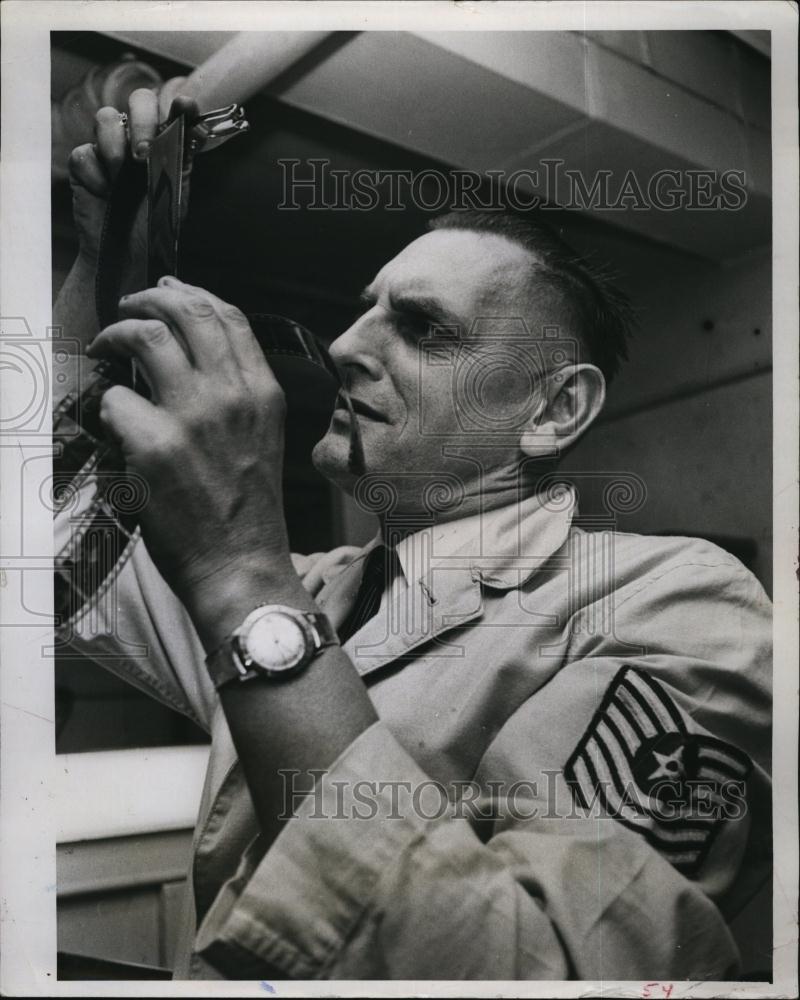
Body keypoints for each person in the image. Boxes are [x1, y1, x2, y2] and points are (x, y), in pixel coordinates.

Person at [54, 90, 772, 981]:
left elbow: (537, 966)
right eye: (365, 308)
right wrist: (99, 271)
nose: (347, 343)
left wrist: (241, 575)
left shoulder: (684, 601)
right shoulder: (314, 586)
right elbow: (46, 537)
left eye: (423, 327)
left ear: (552, 411)